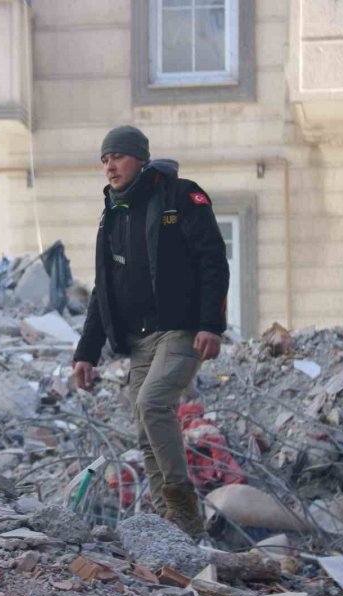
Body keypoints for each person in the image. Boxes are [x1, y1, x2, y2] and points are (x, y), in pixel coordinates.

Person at [72, 125, 229, 538]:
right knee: (144, 422)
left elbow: (214, 260)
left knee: (154, 401)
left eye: (117, 156)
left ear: (140, 158)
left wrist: (211, 323)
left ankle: (182, 505)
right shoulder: (113, 214)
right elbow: (102, 291)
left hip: (182, 330)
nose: (109, 166)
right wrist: (85, 352)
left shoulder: (180, 196)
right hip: (140, 338)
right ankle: (172, 527)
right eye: (104, 159)